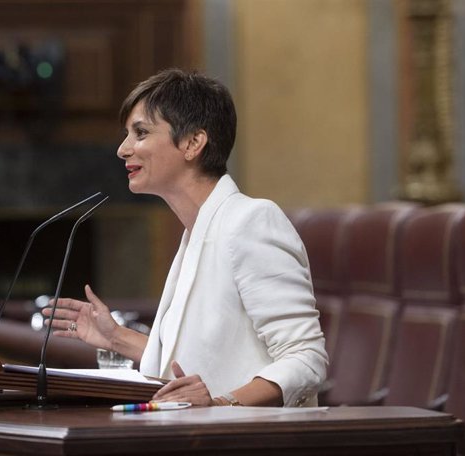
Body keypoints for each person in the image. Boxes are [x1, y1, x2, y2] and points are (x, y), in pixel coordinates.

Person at [43, 68, 328, 407]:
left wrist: (223, 404)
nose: (123, 149)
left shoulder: (251, 222)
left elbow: (307, 358)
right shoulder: (198, 230)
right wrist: (115, 337)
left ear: (193, 142)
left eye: (141, 133)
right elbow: (195, 361)